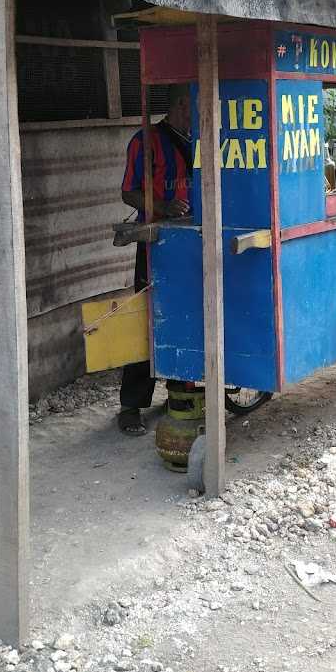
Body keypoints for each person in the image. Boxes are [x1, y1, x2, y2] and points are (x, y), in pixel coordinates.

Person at [118, 84, 192, 435]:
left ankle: (180, 391)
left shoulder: (198, 140)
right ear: (181, 104)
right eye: (196, 105)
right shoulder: (145, 141)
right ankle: (131, 406)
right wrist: (161, 207)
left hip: (190, 242)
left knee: (185, 313)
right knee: (147, 316)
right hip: (154, 242)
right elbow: (128, 191)